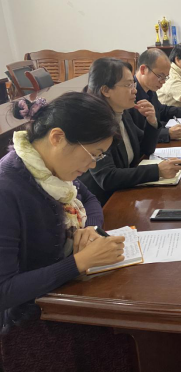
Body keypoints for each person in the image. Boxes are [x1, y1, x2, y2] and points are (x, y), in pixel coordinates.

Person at [0, 93, 135, 371]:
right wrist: (79, 262)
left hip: (66, 298)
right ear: (57, 137)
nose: (94, 164)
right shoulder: (8, 188)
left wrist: (90, 228)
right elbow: (5, 291)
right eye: (93, 154)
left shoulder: (50, 171)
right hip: (32, 321)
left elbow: (90, 199)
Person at [79, 58, 181, 205]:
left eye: (133, 84)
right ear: (106, 90)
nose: (135, 90)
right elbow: (107, 178)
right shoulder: (93, 122)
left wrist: (152, 122)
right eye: (128, 85)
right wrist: (157, 170)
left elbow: (146, 149)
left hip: (126, 192)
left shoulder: (121, 112)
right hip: (104, 203)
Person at [131, 48, 181, 143]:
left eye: (166, 77)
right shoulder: (130, 95)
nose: (163, 82)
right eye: (160, 76)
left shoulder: (150, 89)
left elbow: (163, 111)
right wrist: (167, 133)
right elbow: (134, 135)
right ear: (143, 70)